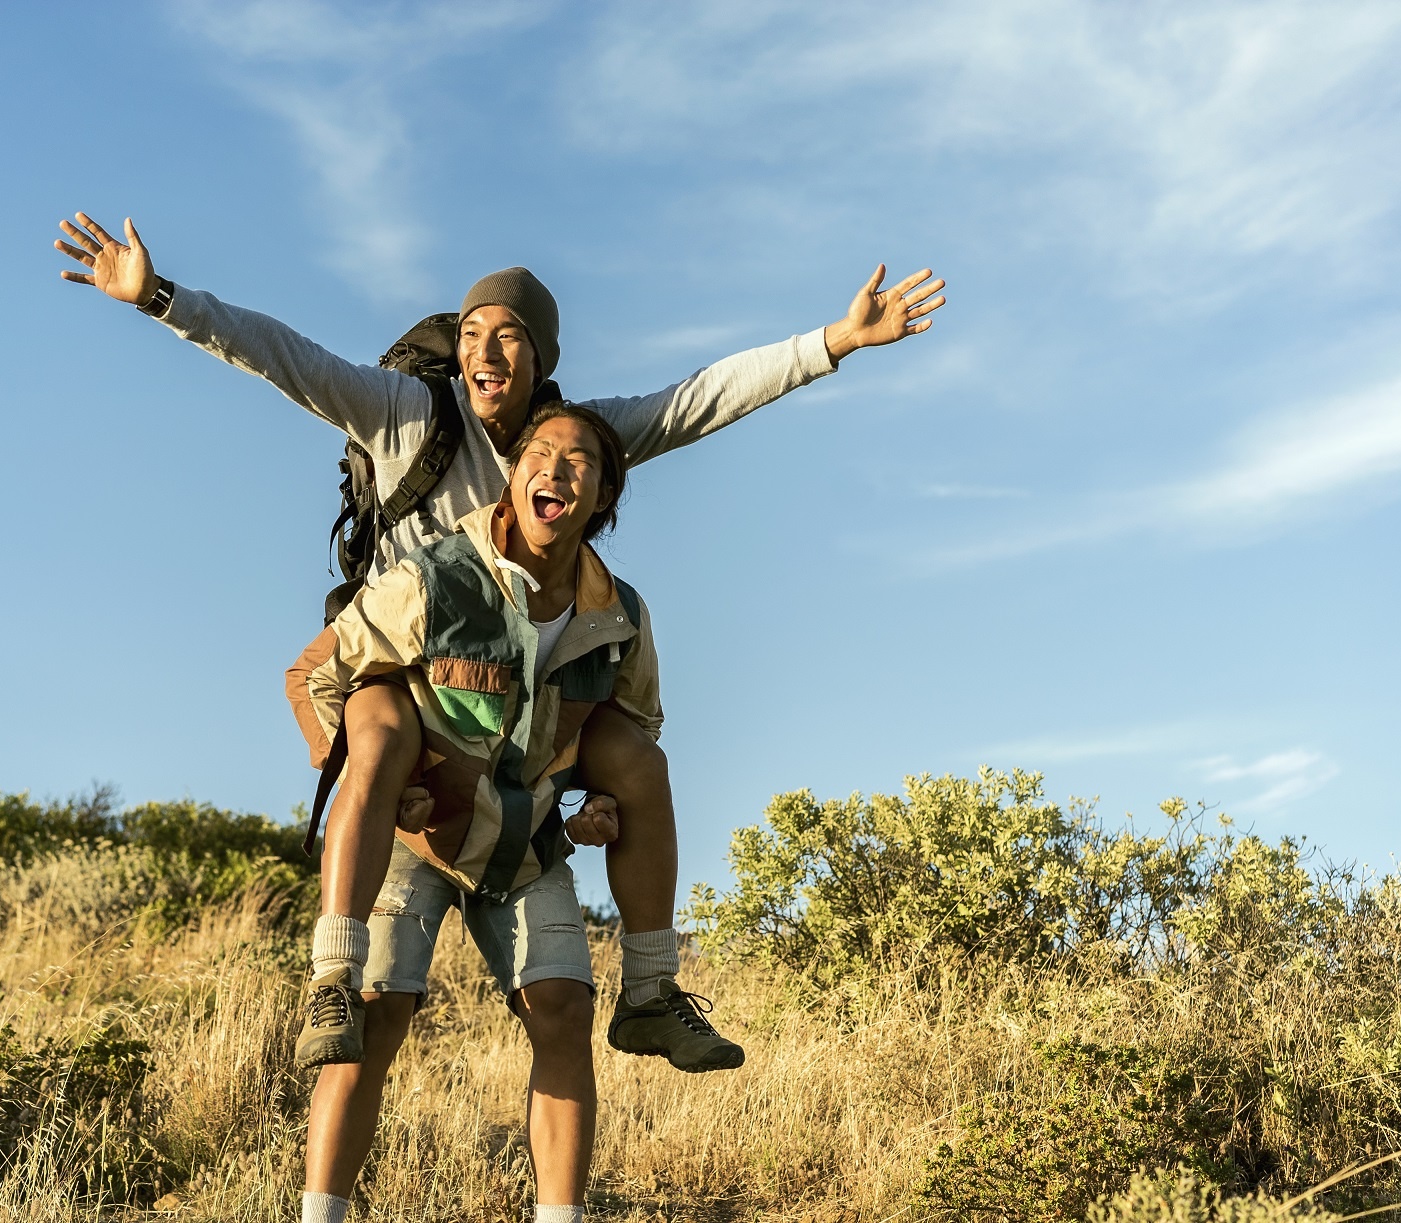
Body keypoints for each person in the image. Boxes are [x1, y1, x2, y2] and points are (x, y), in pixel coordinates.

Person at [51, 213, 946, 1075]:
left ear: (542, 360)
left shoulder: (573, 445)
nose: (485, 349)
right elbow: (285, 358)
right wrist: (160, 296)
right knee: (381, 758)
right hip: (411, 682)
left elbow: (696, 402)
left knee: (636, 756)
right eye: (473, 330)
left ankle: (652, 989)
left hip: (526, 702)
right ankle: (332, 977)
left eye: (510, 334)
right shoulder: (405, 410)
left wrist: (833, 340)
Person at [297, 401, 648, 1222]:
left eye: (581, 461)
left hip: (524, 843)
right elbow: (318, 673)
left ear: (603, 499)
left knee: (563, 1010)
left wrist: (598, 802)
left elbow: (634, 729)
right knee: (371, 1018)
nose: (557, 469)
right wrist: (377, 776)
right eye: (542, 452)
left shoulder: (619, 612)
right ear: (513, 472)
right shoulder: (436, 574)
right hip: (417, 836)